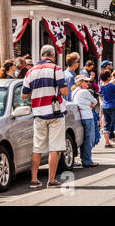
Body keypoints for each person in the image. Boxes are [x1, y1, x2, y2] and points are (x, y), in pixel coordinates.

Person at [21, 45, 69, 189]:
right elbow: (65, 91)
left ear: (41, 55)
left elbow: (24, 94)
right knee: (54, 147)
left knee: (37, 147)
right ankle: (51, 180)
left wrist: (37, 91)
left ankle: (34, 179)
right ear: (53, 56)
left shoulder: (30, 72)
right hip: (55, 113)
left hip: (38, 113)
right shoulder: (57, 69)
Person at [72, 75, 99, 168]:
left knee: (83, 139)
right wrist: (91, 104)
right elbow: (95, 101)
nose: (88, 83)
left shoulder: (74, 91)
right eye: (86, 82)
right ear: (81, 82)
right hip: (87, 116)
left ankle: (85, 159)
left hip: (80, 117)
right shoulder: (84, 92)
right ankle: (87, 160)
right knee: (89, 139)